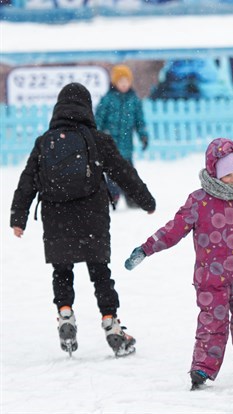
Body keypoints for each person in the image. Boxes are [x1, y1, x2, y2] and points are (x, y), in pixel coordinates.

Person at [123, 138, 233, 389]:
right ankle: (202, 368)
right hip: (211, 279)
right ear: (214, 172)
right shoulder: (199, 202)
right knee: (213, 322)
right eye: (228, 174)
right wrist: (147, 248)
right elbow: (173, 230)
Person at [10, 82, 156, 357]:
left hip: (56, 217)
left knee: (62, 272)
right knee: (101, 273)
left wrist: (19, 217)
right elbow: (124, 172)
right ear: (87, 107)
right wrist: (146, 201)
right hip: (92, 217)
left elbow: (27, 180)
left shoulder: (44, 142)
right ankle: (111, 323)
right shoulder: (97, 139)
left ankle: (65, 314)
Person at [95, 64, 150, 208]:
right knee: (112, 174)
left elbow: (139, 121)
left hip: (126, 146)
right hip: (110, 145)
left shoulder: (134, 100)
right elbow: (98, 119)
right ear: (114, 82)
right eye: (121, 82)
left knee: (129, 174)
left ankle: (132, 199)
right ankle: (112, 197)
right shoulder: (108, 99)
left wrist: (143, 136)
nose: (124, 85)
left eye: (127, 81)